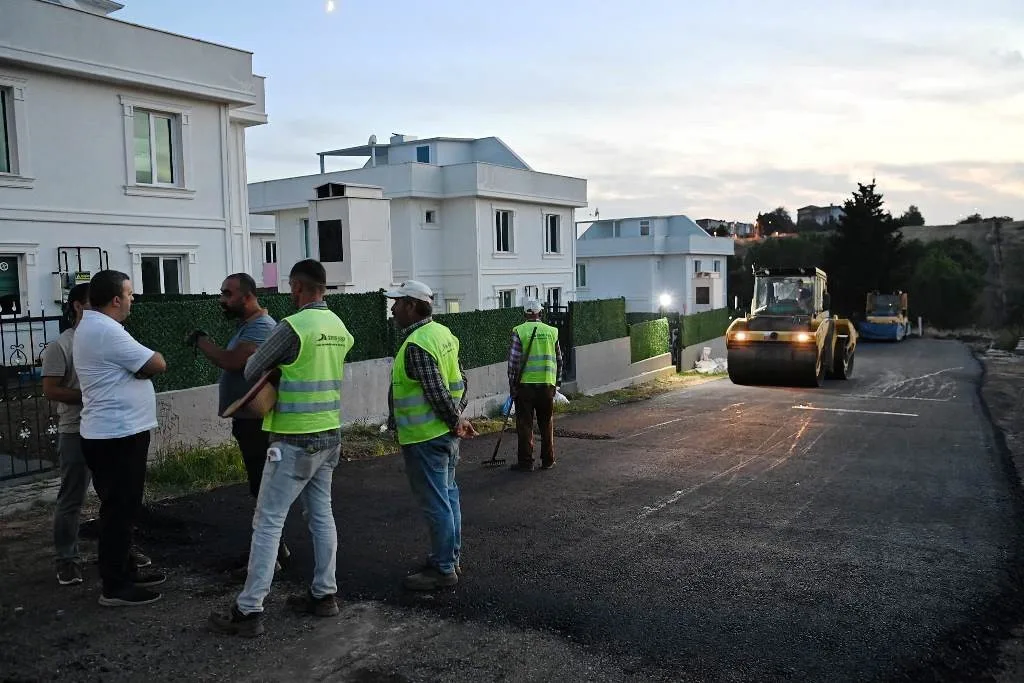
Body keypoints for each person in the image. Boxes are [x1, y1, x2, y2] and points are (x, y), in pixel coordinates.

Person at [208, 259, 354, 638]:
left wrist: (278, 371)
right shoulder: (338, 326)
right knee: (322, 515)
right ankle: (325, 595)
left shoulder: (294, 326)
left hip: (293, 438)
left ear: (296, 287)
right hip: (329, 435)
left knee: (268, 521)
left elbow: (253, 366)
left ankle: (249, 609)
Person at [74, 270, 167, 607]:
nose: (132, 299)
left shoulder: (97, 327)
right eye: (129, 294)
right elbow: (157, 363)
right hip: (116, 435)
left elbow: (140, 366)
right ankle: (115, 586)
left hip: (112, 433)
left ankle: (124, 571)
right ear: (115, 299)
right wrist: (140, 368)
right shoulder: (106, 331)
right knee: (119, 511)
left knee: (122, 508)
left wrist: (137, 368)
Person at [185, 273, 286, 577]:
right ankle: (274, 550)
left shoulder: (261, 328)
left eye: (227, 294)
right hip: (249, 421)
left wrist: (201, 341)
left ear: (247, 296)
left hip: (258, 422)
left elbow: (232, 361)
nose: (222, 300)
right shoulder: (248, 327)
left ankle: (269, 557)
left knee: (263, 489)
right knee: (261, 489)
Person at [386, 280, 478, 591]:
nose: (393, 308)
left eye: (397, 302)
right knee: (449, 496)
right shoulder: (443, 335)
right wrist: (458, 418)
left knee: (437, 501)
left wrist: (454, 420)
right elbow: (462, 381)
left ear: (412, 305)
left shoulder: (418, 344)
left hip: (426, 437)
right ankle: (448, 558)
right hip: (443, 435)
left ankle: (443, 569)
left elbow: (437, 392)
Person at [507, 299, 563, 472]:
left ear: (524, 314)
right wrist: (557, 384)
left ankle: (526, 462)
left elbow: (514, 362)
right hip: (547, 385)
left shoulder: (519, 331)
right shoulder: (552, 331)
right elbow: (559, 360)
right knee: (546, 423)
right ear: (541, 312)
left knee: (525, 424)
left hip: (525, 387)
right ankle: (548, 460)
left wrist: (512, 385)